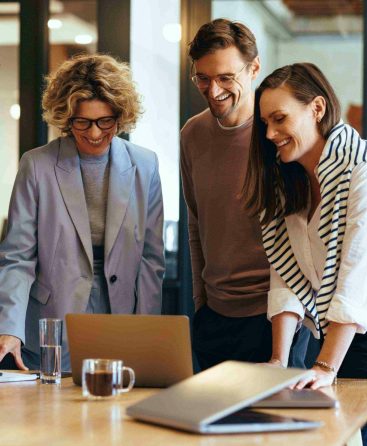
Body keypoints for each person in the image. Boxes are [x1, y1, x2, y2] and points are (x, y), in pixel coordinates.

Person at [0, 54, 165, 371]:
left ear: (121, 115)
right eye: (82, 122)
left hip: (120, 312)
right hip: (52, 315)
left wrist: (148, 332)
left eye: (105, 121)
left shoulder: (145, 165)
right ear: (65, 117)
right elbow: (17, 255)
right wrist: (9, 326)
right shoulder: (36, 165)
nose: (93, 133)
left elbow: (151, 259)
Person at [180, 18, 309, 370]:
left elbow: (300, 235)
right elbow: (196, 225)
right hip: (214, 318)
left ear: (254, 68)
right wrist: (200, 303)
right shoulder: (192, 134)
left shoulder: (280, 134)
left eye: (225, 78)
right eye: (202, 78)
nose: (213, 90)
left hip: (275, 318)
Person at [242, 62, 367, 388]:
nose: (270, 134)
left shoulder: (362, 169)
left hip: (355, 335)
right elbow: (285, 275)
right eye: (265, 123)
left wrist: (326, 366)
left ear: (317, 108)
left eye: (280, 119)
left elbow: (356, 277)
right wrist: (278, 361)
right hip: (337, 340)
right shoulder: (289, 183)